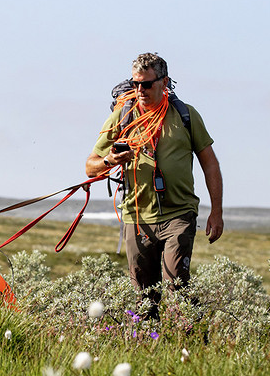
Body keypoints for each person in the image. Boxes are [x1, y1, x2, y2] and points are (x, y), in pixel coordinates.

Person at [85, 53, 223, 319]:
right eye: (135, 84)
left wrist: (216, 211)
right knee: (144, 298)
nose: (140, 90)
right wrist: (110, 159)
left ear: (164, 82)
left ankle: (193, 342)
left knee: (176, 286)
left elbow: (211, 164)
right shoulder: (122, 117)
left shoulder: (186, 115)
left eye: (146, 84)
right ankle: (149, 346)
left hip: (179, 214)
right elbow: (90, 166)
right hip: (137, 218)